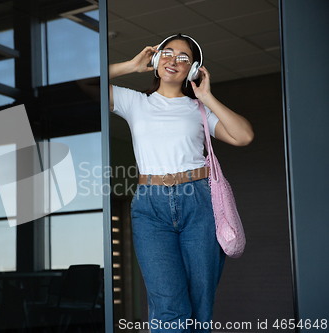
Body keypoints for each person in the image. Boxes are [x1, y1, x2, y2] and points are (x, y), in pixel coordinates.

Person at [109, 34, 254, 332]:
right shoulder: (134, 101)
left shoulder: (199, 110)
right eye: (166, 53)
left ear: (193, 68)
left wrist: (207, 97)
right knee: (168, 307)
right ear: (154, 60)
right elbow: (80, 83)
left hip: (198, 202)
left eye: (183, 57)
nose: (173, 60)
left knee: (200, 307)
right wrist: (130, 66)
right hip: (150, 207)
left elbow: (244, 136)